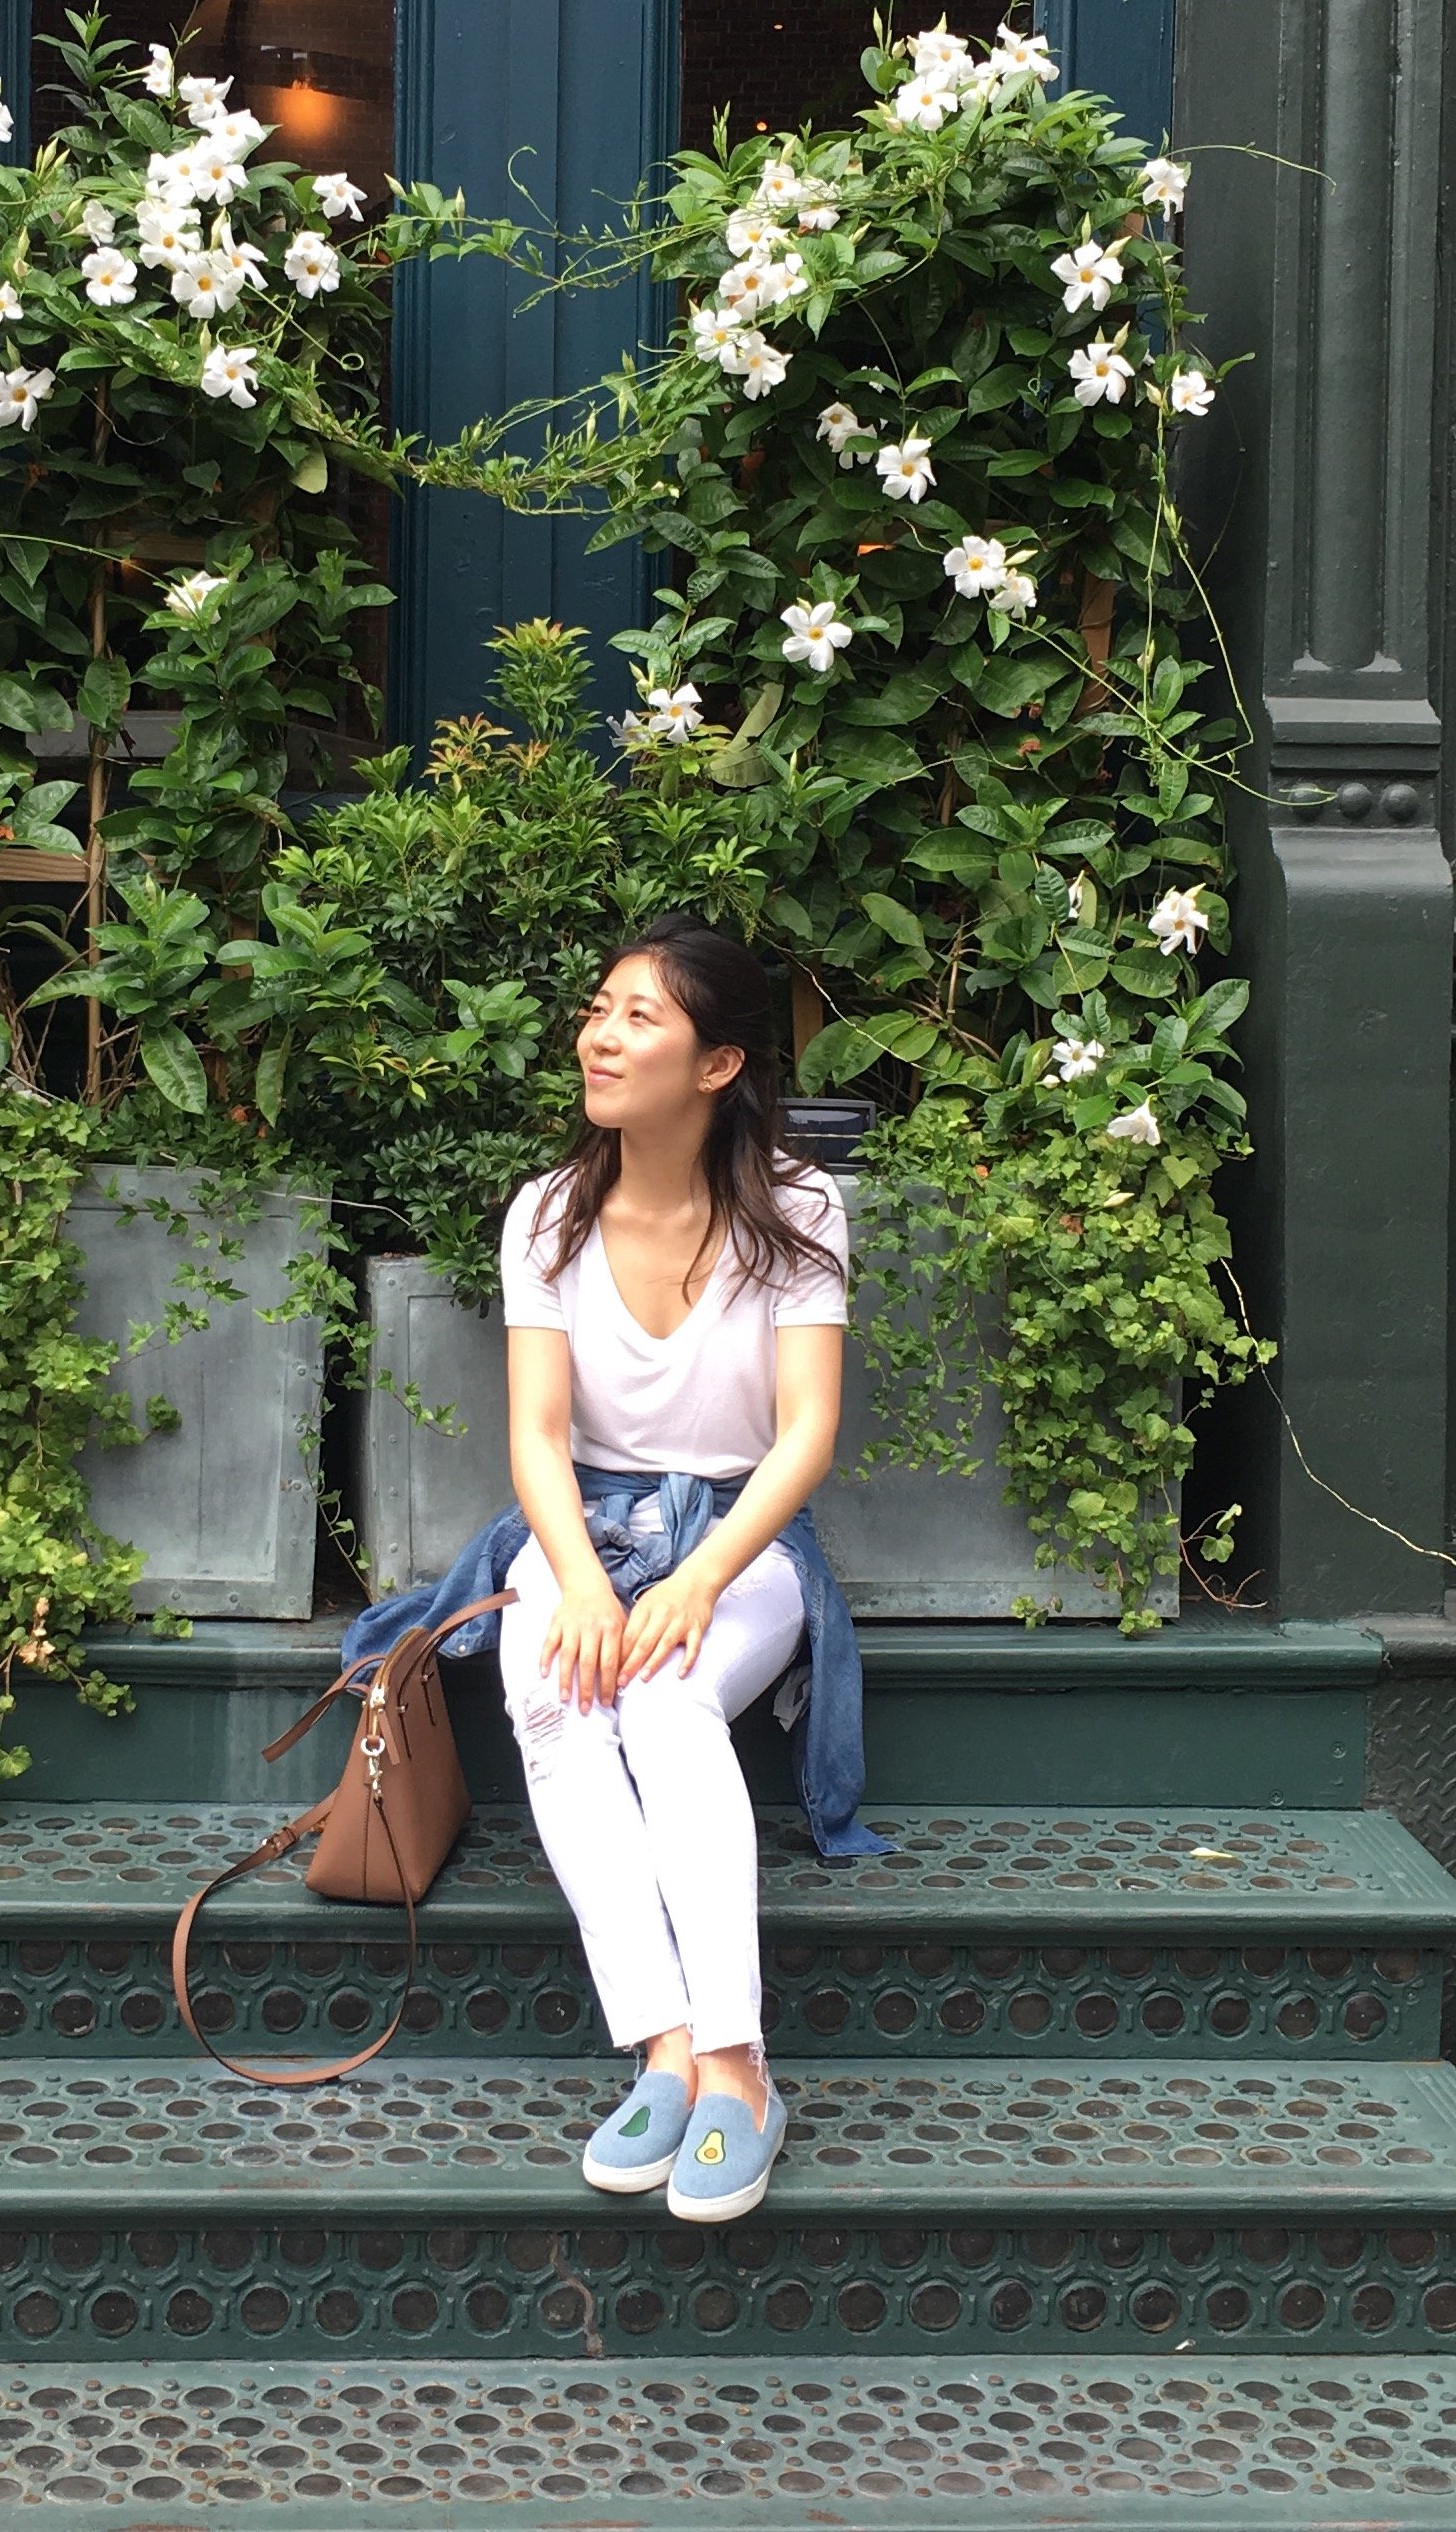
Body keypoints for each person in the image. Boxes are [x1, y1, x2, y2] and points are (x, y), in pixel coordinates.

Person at [340, 913, 887, 2228]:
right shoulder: (548, 1212)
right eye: (599, 1008)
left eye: (639, 1015)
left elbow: (805, 1429)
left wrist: (699, 1580)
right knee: (555, 1687)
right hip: (581, 1530)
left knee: (664, 1694)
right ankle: (661, 2041)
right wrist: (579, 1581)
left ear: (717, 1062)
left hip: (738, 1539)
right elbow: (533, 1434)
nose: (600, 1034)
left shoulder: (803, 1209)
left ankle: (741, 2071)